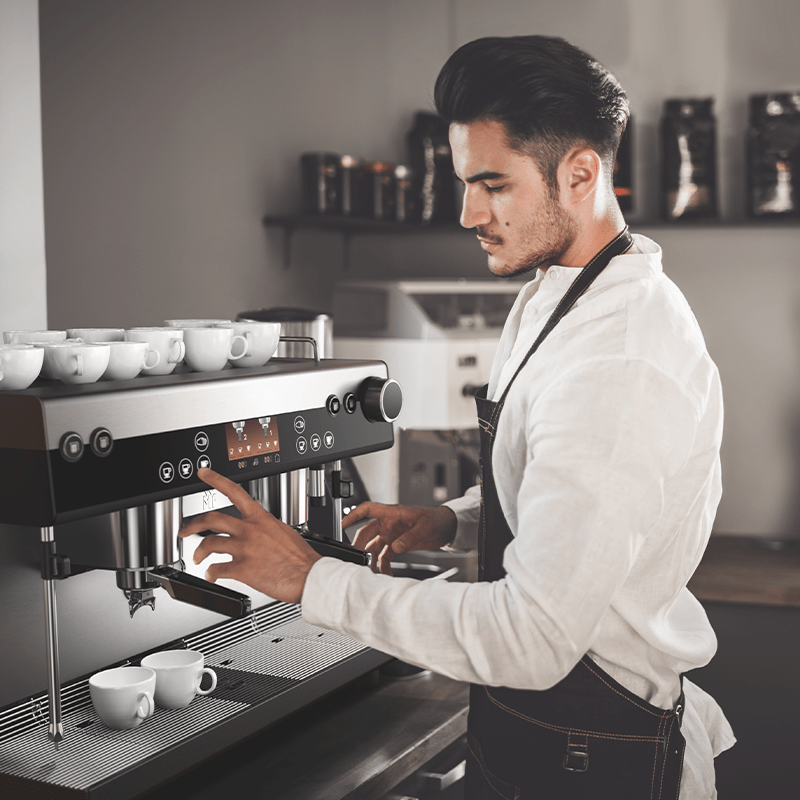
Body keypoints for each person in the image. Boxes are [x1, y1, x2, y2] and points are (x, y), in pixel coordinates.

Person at [180, 35, 735, 799]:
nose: (468, 211)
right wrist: (454, 520)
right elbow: (577, 500)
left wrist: (311, 580)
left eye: (492, 185)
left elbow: (531, 640)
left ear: (580, 173)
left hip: (593, 750)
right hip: (540, 732)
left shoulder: (620, 360)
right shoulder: (561, 294)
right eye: (463, 182)